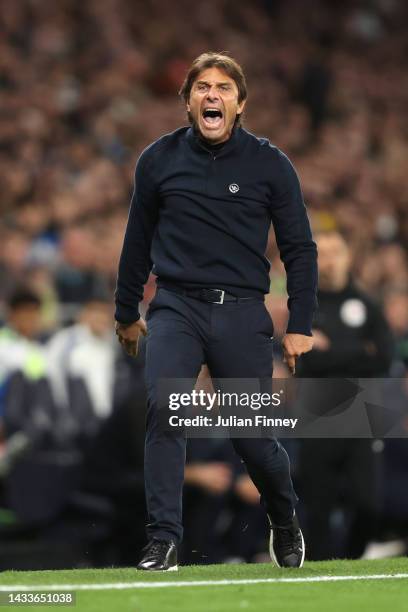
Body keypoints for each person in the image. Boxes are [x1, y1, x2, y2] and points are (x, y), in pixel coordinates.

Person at [114, 52, 317, 571]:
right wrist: (125, 311)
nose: (212, 95)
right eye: (202, 87)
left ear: (240, 103)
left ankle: (284, 518)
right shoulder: (157, 160)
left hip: (242, 312)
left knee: (250, 436)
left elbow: (299, 248)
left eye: (224, 88)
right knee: (166, 410)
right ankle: (163, 539)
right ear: (187, 102)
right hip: (175, 307)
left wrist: (299, 323)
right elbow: (136, 242)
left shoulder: (271, 164)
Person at [296, 229, 394, 559]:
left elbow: (383, 357)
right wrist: (356, 351)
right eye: (322, 253)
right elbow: (306, 359)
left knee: (369, 503)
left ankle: (353, 558)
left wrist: (331, 348)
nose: (330, 260)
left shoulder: (367, 304)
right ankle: (322, 569)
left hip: (361, 413)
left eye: (336, 251)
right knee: (318, 505)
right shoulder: (305, 304)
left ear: (348, 256)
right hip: (318, 411)